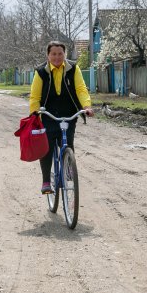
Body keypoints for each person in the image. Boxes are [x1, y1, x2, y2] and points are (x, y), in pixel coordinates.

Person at [29, 41, 94, 194]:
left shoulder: (73, 68)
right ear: (48, 55)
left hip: (69, 112)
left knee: (68, 143)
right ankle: (46, 181)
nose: (57, 57)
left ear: (64, 54)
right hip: (48, 113)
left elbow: (81, 89)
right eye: (53, 54)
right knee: (47, 147)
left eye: (60, 54)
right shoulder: (41, 72)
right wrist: (34, 113)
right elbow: (35, 96)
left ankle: (68, 166)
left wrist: (86, 107)